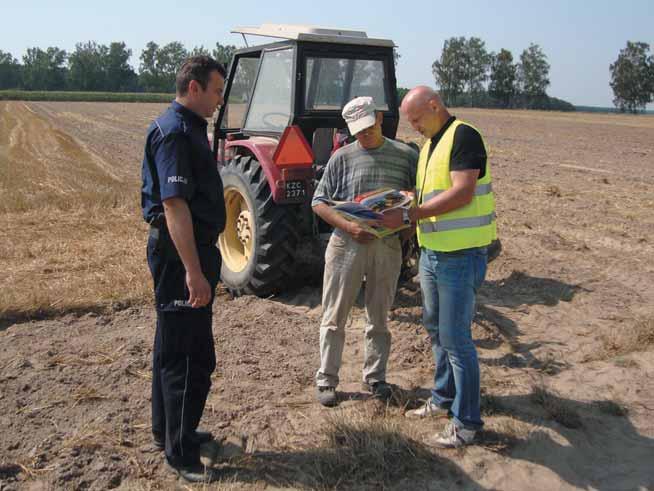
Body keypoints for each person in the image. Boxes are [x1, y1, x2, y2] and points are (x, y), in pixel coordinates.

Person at [382, 86, 496, 448]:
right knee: (435, 329)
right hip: (432, 253)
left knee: (457, 339)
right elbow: (430, 194)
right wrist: (404, 202)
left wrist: (413, 213)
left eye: (416, 118)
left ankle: (466, 424)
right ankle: (444, 397)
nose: (412, 125)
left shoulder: (464, 135)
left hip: (460, 256)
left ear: (434, 105)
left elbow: (463, 192)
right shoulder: (431, 144)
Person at [141, 56, 226, 482]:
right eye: (215, 90)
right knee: (188, 356)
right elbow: (174, 206)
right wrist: (194, 271)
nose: (219, 99)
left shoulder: (189, 128)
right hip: (181, 258)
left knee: (170, 347)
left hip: (186, 254)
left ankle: (171, 431)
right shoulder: (174, 134)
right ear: (194, 89)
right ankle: (180, 452)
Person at [312, 96, 418, 407]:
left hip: (387, 246)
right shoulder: (340, 158)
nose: (364, 135)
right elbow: (318, 202)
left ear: (381, 118)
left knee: (380, 316)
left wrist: (406, 231)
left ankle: (376, 377)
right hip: (347, 244)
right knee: (334, 316)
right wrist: (348, 227)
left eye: (369, 127)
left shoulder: (404, 156)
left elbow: (416, 200)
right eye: (357, 131)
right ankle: (327, 379)